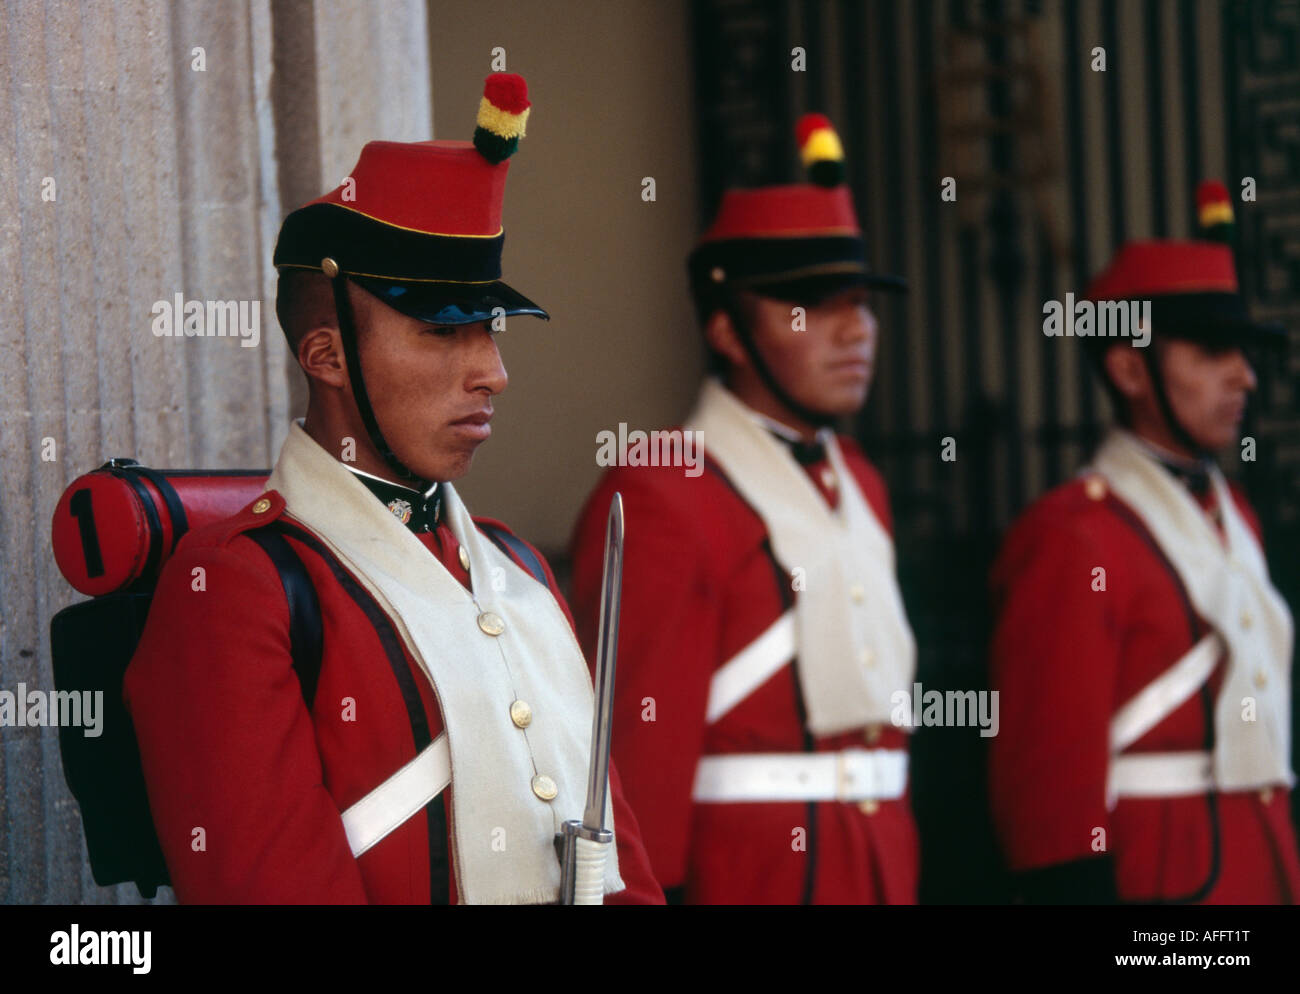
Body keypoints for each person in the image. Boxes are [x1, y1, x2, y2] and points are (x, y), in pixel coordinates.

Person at [124, 74, 662, 905]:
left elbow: (620, 860)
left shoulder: (517, 565)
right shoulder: (236, 589)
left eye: (490, 331)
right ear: (326, 356)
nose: (494, 373)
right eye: (445, 331)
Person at [569, 115, 920, 903]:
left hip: (878, 865)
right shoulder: (661, 489)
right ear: (727, 329)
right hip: (750, 876)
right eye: (812, 305)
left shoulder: (862, 482)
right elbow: (637, 756)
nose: (855, 330)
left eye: (861, 302)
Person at [988, 184, 1300, 903]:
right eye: (1213, 352)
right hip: (1162, 878)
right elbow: (1047, 782)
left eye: (1243, 352)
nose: (1245, 376)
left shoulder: (1234, 513)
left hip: (1261, 866)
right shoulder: (1072, 535)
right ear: (1130, 369)